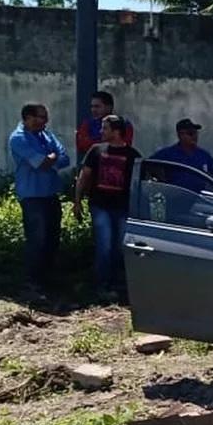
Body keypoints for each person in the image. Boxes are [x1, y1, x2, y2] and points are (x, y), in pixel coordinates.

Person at [73, 115, 143, 295]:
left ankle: (118, 283)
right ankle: (102, 285)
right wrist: (77, 200)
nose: (100, 131)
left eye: (105, 128)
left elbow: (140, 183)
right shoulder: (96, 150)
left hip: (122, 207)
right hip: (100, 205)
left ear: (116, 131)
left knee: (121, 246)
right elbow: (84, 176)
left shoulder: (132, 155)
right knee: (104, 244)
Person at [9, 102, 70, 291]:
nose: (44, 121)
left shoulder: (47, 135)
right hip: (32, 196)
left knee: (52, 237)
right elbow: (41, 163)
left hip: (50, 193)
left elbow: (65, 158)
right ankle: (32, 281)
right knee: (37, 238)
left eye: (45, 117)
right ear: (27, 118)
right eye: (40, 117)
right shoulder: (18, 138)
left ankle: (48, 277)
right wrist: (51, 158)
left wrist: (50, 159)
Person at [151, 118, 213, 191]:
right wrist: (161, 184)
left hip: (201, 199)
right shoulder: (167, 154)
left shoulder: (204, 155)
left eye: (196, 133)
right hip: (176, 198)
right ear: (180, 135)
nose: (195, 136)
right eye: (191, 134)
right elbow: (148, 167)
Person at [76, 91, 134, 156]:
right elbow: (82, 145)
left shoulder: (124, 124)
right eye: (92, 107)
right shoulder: (87, 124)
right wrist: (109, 141)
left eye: (97, 107)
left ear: (109, 107)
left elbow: (123, 146)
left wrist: (96, 142)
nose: (93, 110)